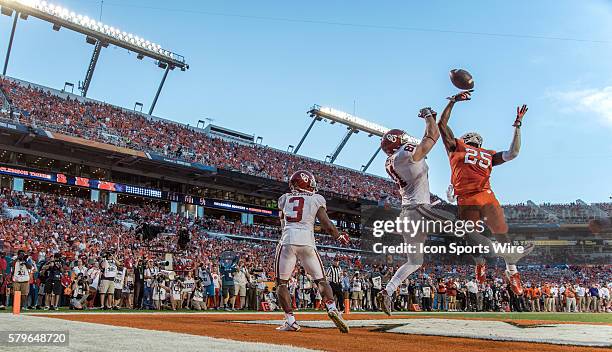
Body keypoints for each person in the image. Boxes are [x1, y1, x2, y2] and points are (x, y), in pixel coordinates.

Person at [438, 90, 533, 294]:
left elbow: (441, 126)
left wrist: (453, 102)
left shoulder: (462, 147)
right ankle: (499, 267)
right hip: (476, 196)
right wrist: (517, 126)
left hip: (475, 196)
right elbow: (513, 153)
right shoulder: (472, 150)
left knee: (486, 235)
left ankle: (503, 269)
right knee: (486, 235)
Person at [274, 170, 350, 333]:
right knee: (321, 280)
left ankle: (291, 321)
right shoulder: (316, 199)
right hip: (307, 242)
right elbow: (327, 225)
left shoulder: (284, 199)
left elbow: (282, 223)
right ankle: (331, 308)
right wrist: (339, 237)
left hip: (287, 240)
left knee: (281, 283)